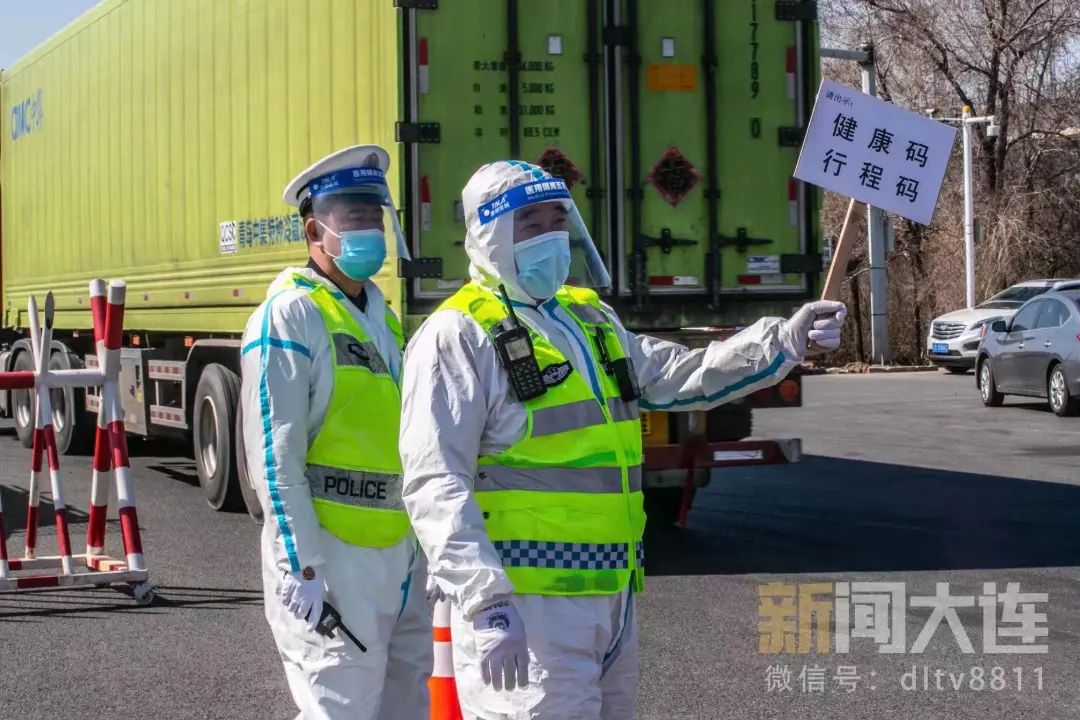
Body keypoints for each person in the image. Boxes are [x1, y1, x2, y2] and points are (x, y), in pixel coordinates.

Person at [399, 160, 846, 719]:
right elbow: (435, 481)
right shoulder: (457, 334)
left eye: (558, 220)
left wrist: (785, 339)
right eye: (531, 224)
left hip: (612, 600)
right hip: (529, 608)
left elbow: (682, 375)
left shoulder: (588, 320)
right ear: (491, 235)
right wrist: (484, 598)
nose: (551, 236)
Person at [240, 145, 431, 720]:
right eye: (352, 217)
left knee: (405, 707)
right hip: (334, 561)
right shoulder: (289, 315)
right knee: (338, 710)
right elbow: (275, 455)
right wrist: (302, 565)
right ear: (313, 230)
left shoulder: (381, 315)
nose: (368, 228)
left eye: (375, 215)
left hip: (396, 558)